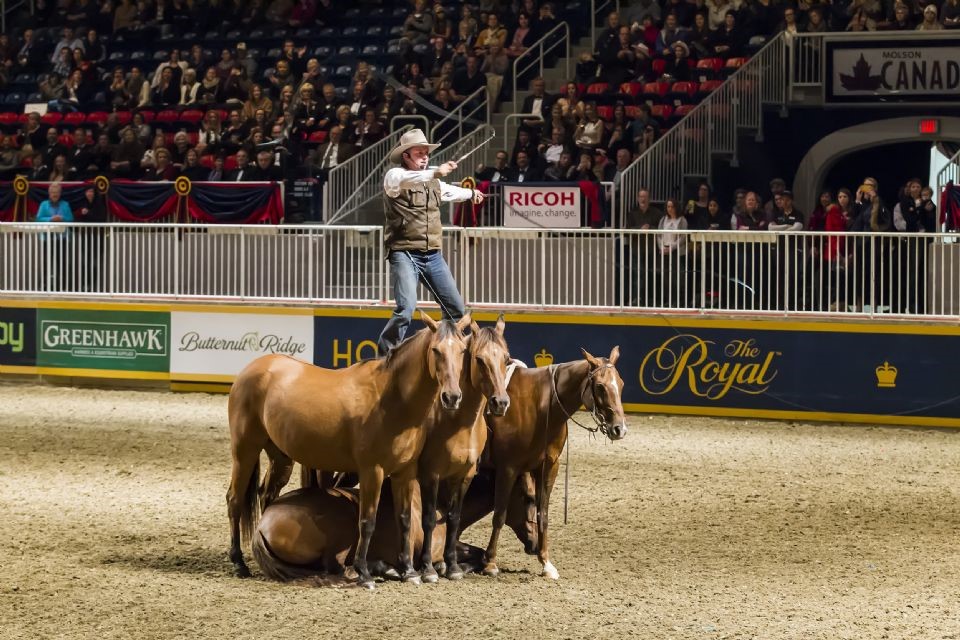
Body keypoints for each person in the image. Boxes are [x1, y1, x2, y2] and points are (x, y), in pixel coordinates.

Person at [377, 129, 484, 355]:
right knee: (405, 310)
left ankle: (447, 352)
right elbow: (409, 179)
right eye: (419, 153)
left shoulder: (433, 183)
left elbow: (450, 191)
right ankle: (385, 358)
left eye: (426, 153)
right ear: (406, 156)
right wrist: (437, 171)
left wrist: (471, 193)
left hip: (432, 255)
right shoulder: (394, 176)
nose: (425, 156)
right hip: (404, 253)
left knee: (456, 311)